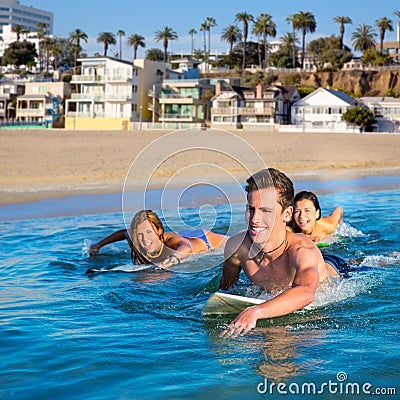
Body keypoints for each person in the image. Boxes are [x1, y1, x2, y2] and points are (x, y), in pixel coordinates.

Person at [219, 168, 347, 337]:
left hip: (337, 268)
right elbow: (226, 292)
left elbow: (306, 292)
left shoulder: (303, 251)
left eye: (265, 211)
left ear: (287, 214)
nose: (255, 219)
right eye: (251, 209)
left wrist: (256, 312)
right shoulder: (237, 248)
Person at [89, 209, 228, 268]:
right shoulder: (136, 240)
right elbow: (123, 232)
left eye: (149, 232)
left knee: (240, 242)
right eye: (140, 234)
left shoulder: (171, 241)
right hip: (188, 234)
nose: (144, 239)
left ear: (160, 230)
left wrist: (171, 260)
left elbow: (186, 247)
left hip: (207, 241)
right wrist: (98, 245)